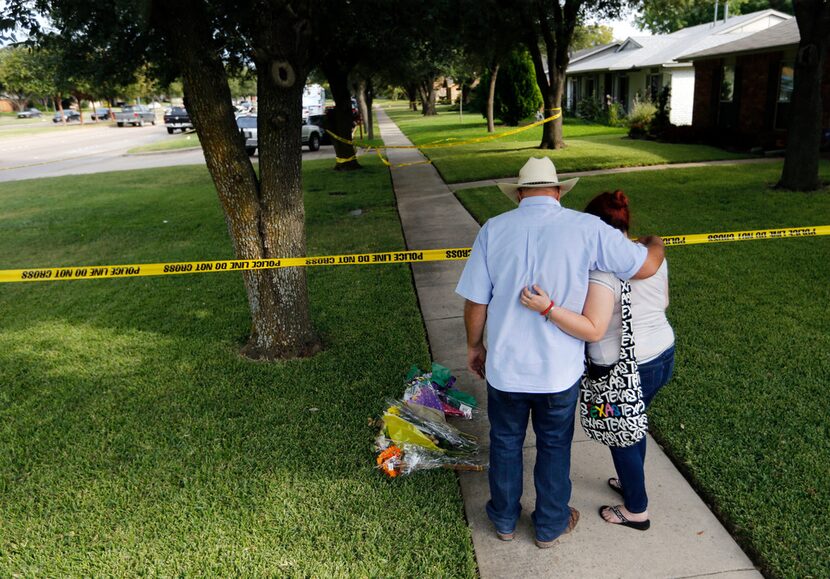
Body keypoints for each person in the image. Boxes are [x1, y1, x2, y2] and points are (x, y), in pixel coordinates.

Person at [455, 157, 665, 548]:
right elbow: (644, 266)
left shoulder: (493, 229)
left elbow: (475, 301)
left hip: (506, 367)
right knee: (553, 445)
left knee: (505, 441)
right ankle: (550, 526)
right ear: (557, 191)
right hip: (559, 371)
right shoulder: (589, 228)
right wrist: (657, 243)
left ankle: (503, 520)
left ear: (519, 194)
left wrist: (474, 346)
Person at [520, 189, 675, 532]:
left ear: (592, 225)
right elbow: (662, 302)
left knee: (622, 435)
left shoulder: (601, 269)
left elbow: (591, 328)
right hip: (663, 352)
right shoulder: (649, 256)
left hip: (625, 366)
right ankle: (631, 482)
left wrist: (548, 308)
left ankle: (636, 509)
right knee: (635, 422)